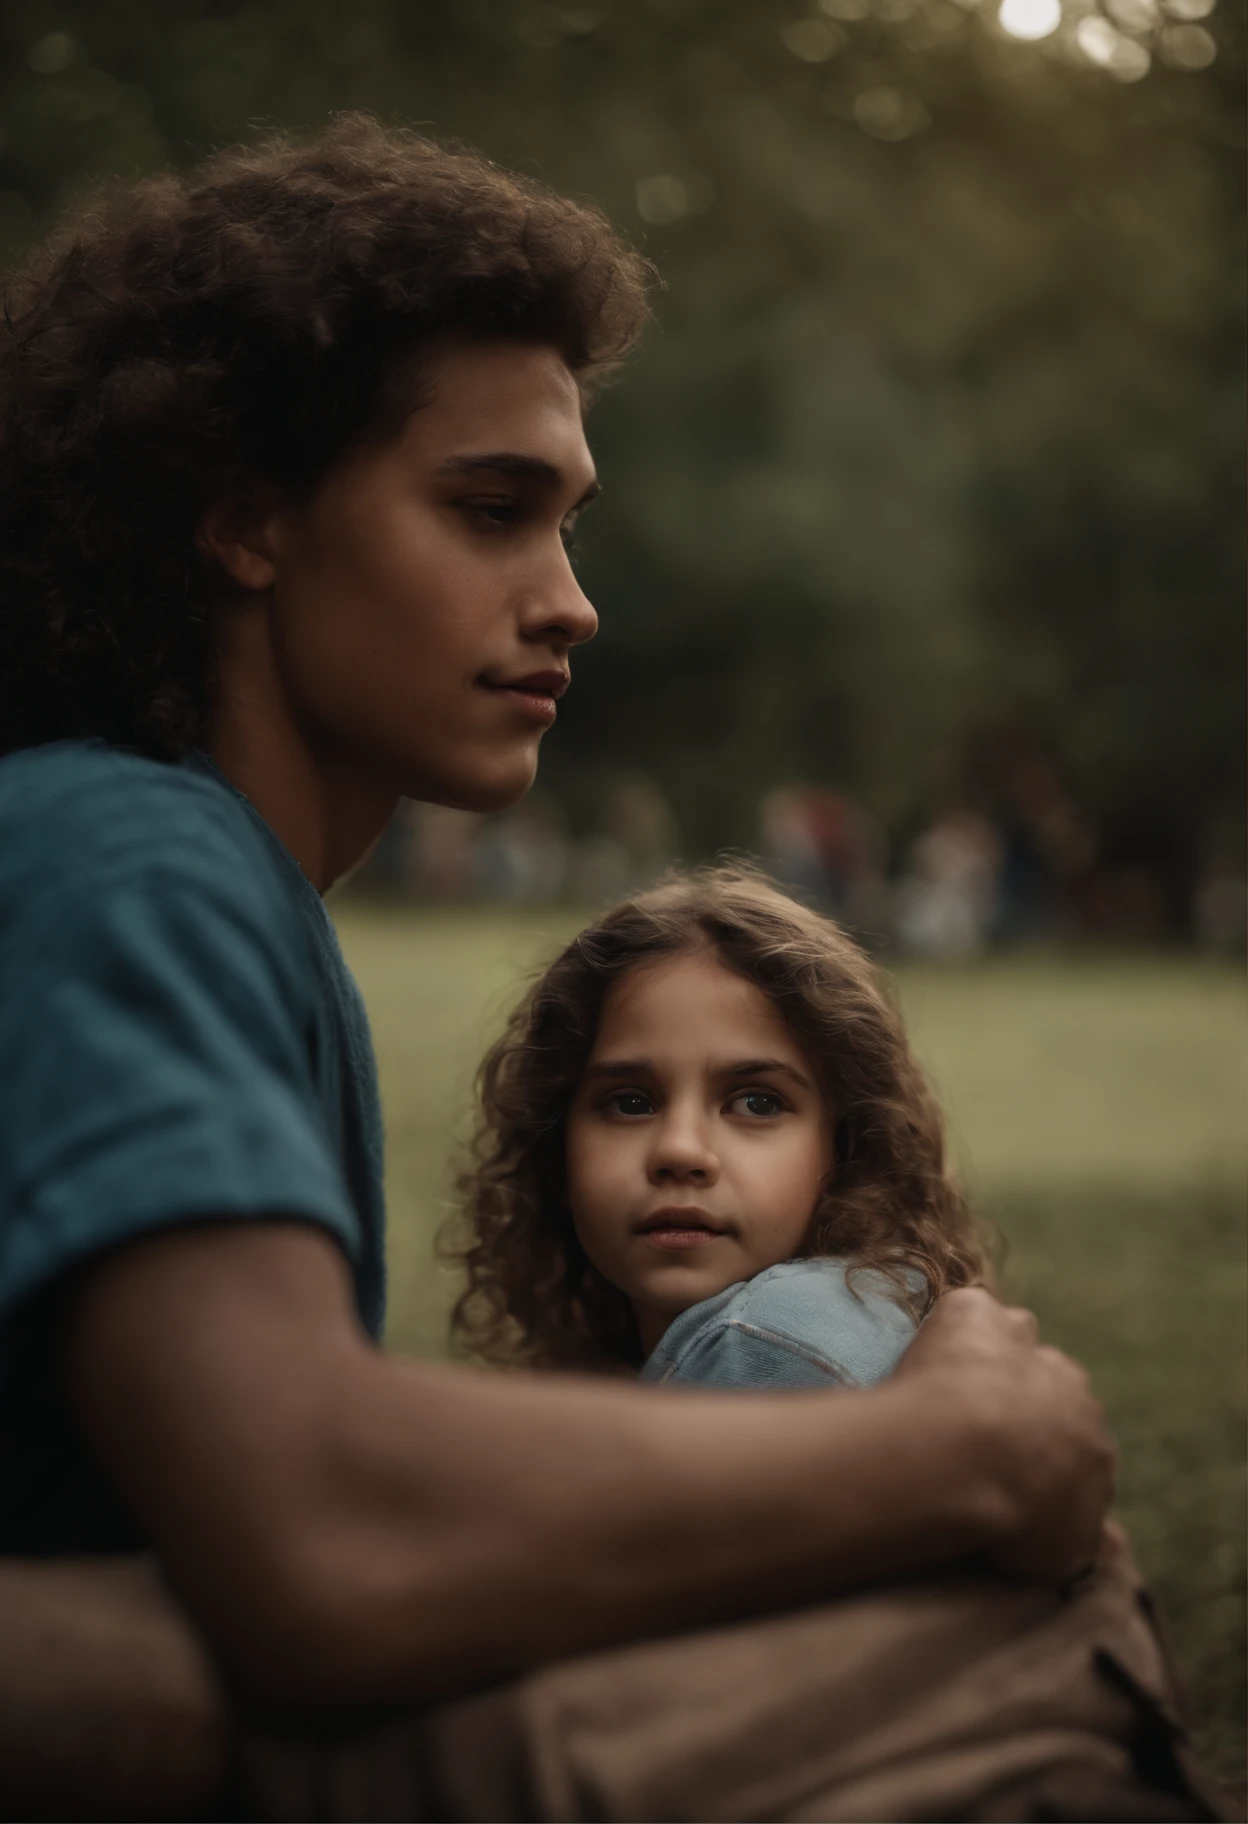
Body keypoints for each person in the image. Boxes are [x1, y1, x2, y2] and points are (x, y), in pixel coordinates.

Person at [0, 114, 1169, 1820]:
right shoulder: (125, 849)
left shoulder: (220, 886)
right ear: (243, 515)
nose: (570, 602)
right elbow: (311, 1538)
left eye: (565, 521)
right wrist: (955, 1442)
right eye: (489, 509)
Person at [449, 863, 986, 1387]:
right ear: (557, 1151)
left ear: (846, 1150)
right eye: (630, 1103)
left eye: (756, 1103)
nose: (681, 1150)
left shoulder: (776, 1346)